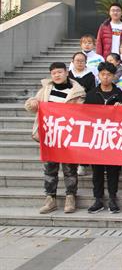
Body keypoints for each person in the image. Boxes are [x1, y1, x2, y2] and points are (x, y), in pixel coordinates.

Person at [24, 62, 86, 214]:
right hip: (49, 136)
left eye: (60, 72)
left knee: (70, 169)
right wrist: (32, 103)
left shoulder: (77, 91)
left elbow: (83, 112)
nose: (57, 75)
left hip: (68, 136)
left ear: (66, 72)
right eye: (54, 73)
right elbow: (31, 106)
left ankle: (70, 197)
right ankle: (50, 198)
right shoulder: (46, 89)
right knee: (50, 169)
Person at [84, 62, 122, 214]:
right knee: (97, 170)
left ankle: (112, 198)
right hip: (96, 138)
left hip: (113, 138)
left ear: (113, 76)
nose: (105, 77)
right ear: (98, 75)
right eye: (102, 74)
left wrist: (121, 110)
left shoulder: (119, 94)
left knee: (113, 170)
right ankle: (98, 199)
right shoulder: (91, 94)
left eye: (109, 75)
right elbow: (84, 116)